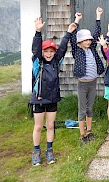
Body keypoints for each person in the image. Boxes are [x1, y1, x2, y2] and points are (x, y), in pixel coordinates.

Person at [30, 17, 76, 166]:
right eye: (46, 51)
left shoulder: (56, 62)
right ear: (42, 52)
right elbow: (36, 49)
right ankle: (36, 151)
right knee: (38, 126)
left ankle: (49, 151)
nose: (49, 54)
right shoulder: (38, 62)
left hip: (53, 99)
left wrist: (69, 32)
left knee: (50, 126)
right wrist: (38, 31)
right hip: (38, 99)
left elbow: (62, 48)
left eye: (51, 51)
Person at [70, 8, 105, 144]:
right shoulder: (76, 51)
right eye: (85, 40)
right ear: (79, 42)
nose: (88, 42)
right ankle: (82, 134)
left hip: (93, 82)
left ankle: (89, 131)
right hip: (82, 84)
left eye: (89, 40)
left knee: (90, 108)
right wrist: (76, 21)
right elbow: (72, 37)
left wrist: (98, 16)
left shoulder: (92, 49)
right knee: (82, 109)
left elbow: (96, 33)